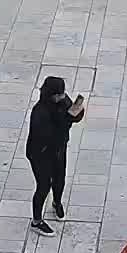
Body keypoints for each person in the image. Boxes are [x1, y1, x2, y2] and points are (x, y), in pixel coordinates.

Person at [25, 75, 86, 234]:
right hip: (41, 153)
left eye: (62, 93)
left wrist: (77, 113)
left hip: (59, 149)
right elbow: (49, 134)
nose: (62, 96)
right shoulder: (40, 112)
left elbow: (71, 116)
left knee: (60, 179)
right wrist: (67, 119)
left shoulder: (63, 100)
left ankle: (57, 203)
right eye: (58, 94)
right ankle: (36, 221)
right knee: (44, 185)